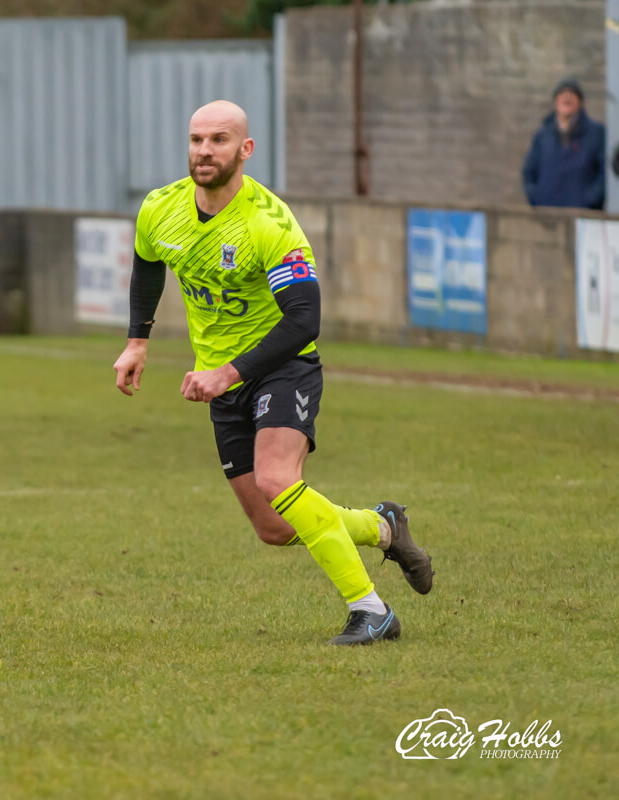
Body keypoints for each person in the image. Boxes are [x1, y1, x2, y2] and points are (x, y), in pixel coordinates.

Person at [112, 101, 433, 646]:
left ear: (245, 149)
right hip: (224, 381)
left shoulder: (269, 223)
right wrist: (137, 342)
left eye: (218, 140)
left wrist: (229, 372)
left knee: (278, 480)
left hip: (282, 368)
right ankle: (382, 527)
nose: (204, 151)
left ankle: (372, 612)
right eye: (196, 140)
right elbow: (147, 263)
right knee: (275, 527)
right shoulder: (159, 209)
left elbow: (305, 318)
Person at [522, 77, 606, 210]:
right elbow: (529, 171)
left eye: (572, 94)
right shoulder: (543, 135)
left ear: (580, 102)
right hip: (546, 216)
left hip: (583, 218)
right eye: (562, 94)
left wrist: (590, 201)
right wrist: (537, 198)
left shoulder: (596, 133)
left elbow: (604, 173)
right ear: (555, 101)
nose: (566, 98)